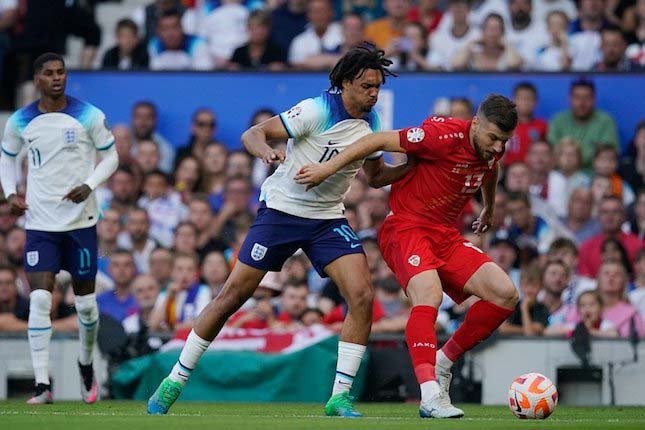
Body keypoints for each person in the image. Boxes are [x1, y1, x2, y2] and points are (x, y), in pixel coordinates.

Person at [147, 43, 410, 417]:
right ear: (348, 82)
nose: (374, 94)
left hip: (327, 219)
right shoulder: (316, 110)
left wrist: (414, 166)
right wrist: (265, 152)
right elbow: (254, 133)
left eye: (377, 87)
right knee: (232, 296)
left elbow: (378, 175)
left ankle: (339, 397)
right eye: (368, 86)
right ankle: (175, 378)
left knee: (362, 296)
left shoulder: (373, 124)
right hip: (282, 213)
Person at [295, 94, 520, 418]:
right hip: (406, 228)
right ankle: (429, 394)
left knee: (505, 294)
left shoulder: (487, 151)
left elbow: (491, 169)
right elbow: (375, 139)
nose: (498, 147)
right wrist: (324, 169)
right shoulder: (440, 137)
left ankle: (443, 362)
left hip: (444, 235)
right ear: (475, 124)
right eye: (494, 138)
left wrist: (489, 207)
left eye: (505, 141)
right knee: (428, 294)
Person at [0, 53, 118, 404]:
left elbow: (111, 156)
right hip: (40, 224)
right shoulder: (20, 121)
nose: (57, 78)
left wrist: (90, 183)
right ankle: (41, 384)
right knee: (39, 298)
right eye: (49, 73)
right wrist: (10, 193)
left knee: (85, 306)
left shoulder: (89, 115)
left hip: (81, 223)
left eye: (61, 72)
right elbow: (7, 159)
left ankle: (85, 363)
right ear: (37, 79)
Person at [547, 79, 620, 170]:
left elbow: (608, 156)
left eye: (587, 98)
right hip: (562, 175)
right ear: (570, 99)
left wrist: (569, 155)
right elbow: (552, 154)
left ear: (594, 100)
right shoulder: (557, 120)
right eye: (577, 97)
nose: (581, 103)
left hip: (595, 177)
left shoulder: (605, 121)